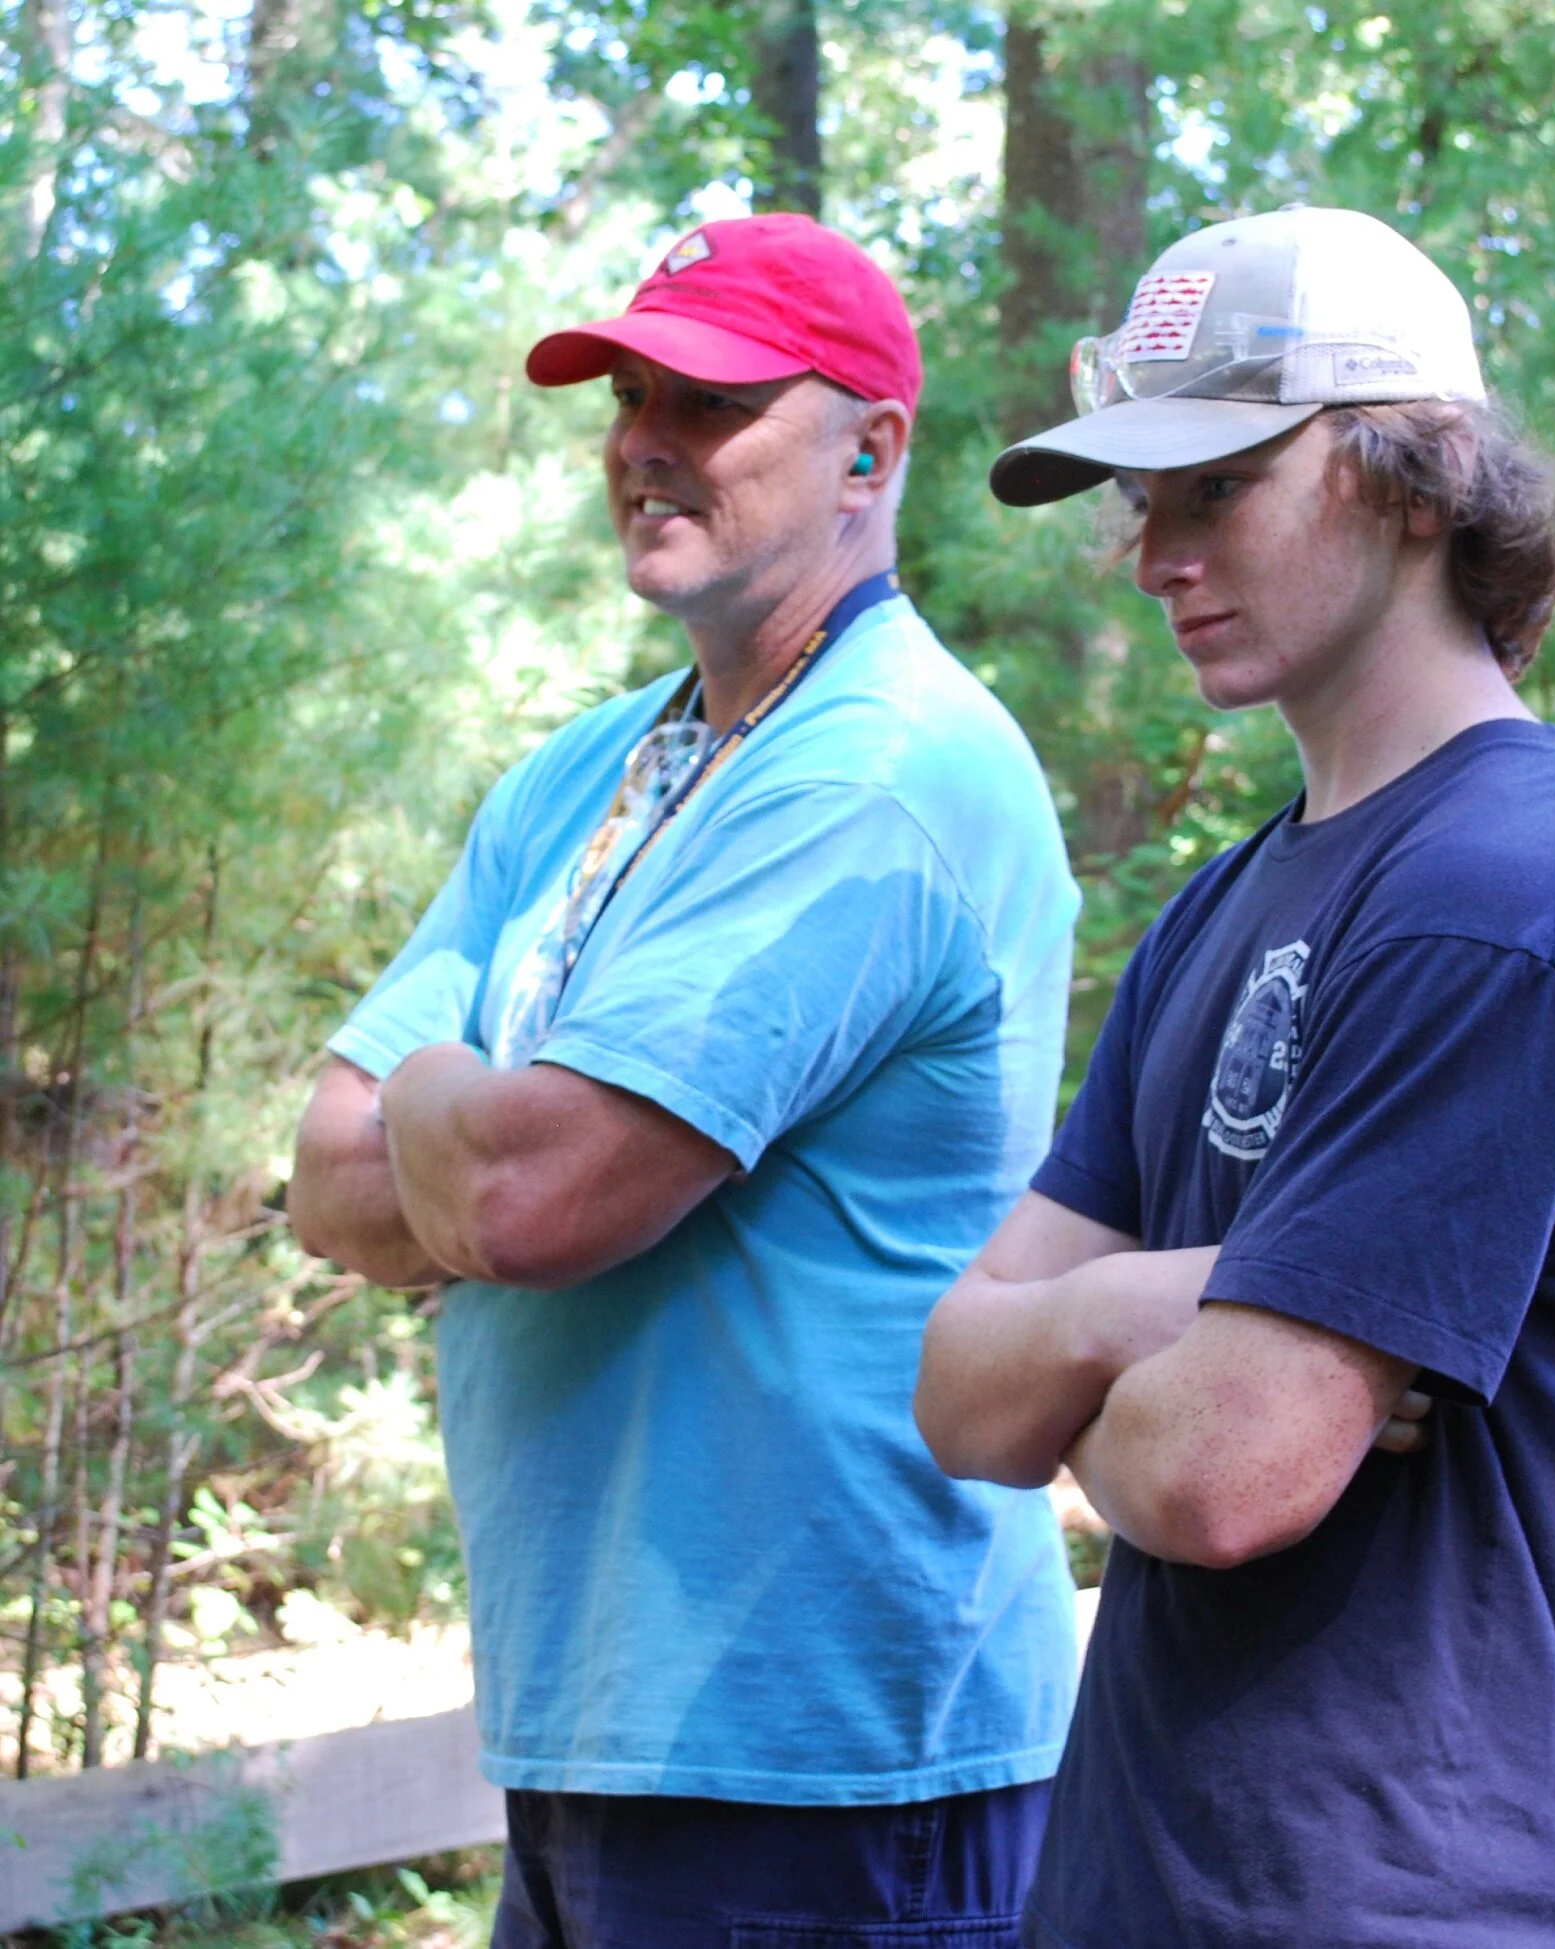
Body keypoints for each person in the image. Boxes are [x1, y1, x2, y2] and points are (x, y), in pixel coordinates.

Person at [288, 213, 1085, 1948]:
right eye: (630, 390)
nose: (646, 438)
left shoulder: (880, 771)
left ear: (874, 448)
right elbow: (323, 1176)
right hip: (599, 1727)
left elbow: (520, 1193)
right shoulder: (591, 768)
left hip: (831, 1759)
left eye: (710, 399)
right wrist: (463, 1132)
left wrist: (445, 1103)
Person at [914, 205, 1555, 1947]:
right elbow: (961, 1395)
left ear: (1415, 479)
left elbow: (1222, 1474)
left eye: (1218, 487)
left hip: (1414, 1903)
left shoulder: (1499, 893)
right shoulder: (1229, 901)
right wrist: (1188, 1297)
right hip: (1157, 1888)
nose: (1151, 554)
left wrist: (1112, 1380)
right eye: (1141, 499)